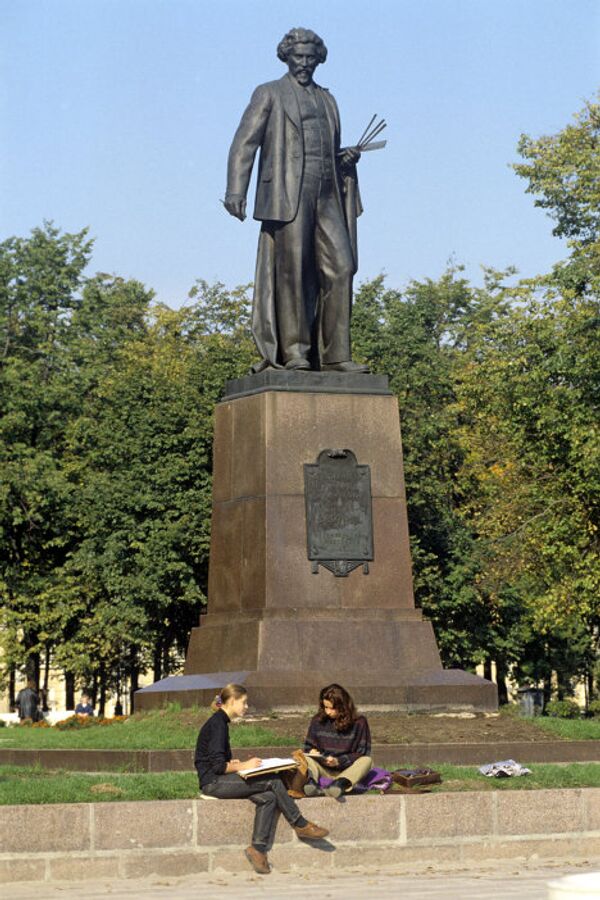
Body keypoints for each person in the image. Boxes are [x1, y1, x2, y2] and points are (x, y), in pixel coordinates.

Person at [224, 27, 370, 374]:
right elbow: (244, 143)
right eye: (297, 57)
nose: (304, 64)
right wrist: (235, 190)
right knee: (293, 273)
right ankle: (295, 353)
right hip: (288, 193)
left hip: (327, 192)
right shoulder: (269, 93)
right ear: (286, 57)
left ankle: (336, 355)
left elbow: (326, 149)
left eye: (310, 58)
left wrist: (343, 158)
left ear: (318, 59)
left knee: (342, 267)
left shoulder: (328, 99)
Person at [194, 683, 329, 875]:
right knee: (273, 781)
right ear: (232, 701)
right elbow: (216, 767)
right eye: (244, 702)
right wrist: (243, 766)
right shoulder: (218, 725)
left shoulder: (220, 722)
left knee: (269, 797)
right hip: (212, 784)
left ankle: (257, 849)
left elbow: (217, 760)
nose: (247, 707)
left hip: (216, 780)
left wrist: (233, 763)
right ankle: (300, 824)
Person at [303, 683, 372, 798]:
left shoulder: (359, 722)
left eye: (332, 708)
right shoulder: (317, 720)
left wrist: (338, 761)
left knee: (367, 761)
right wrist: (312, 752)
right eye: (325, 707)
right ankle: (311, 784)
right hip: (323, 769)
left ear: (343, 706)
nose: (328, 712)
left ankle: (340, 784)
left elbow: (362, 752)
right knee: (305, 758)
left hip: (348, 770)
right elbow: (308, 747)